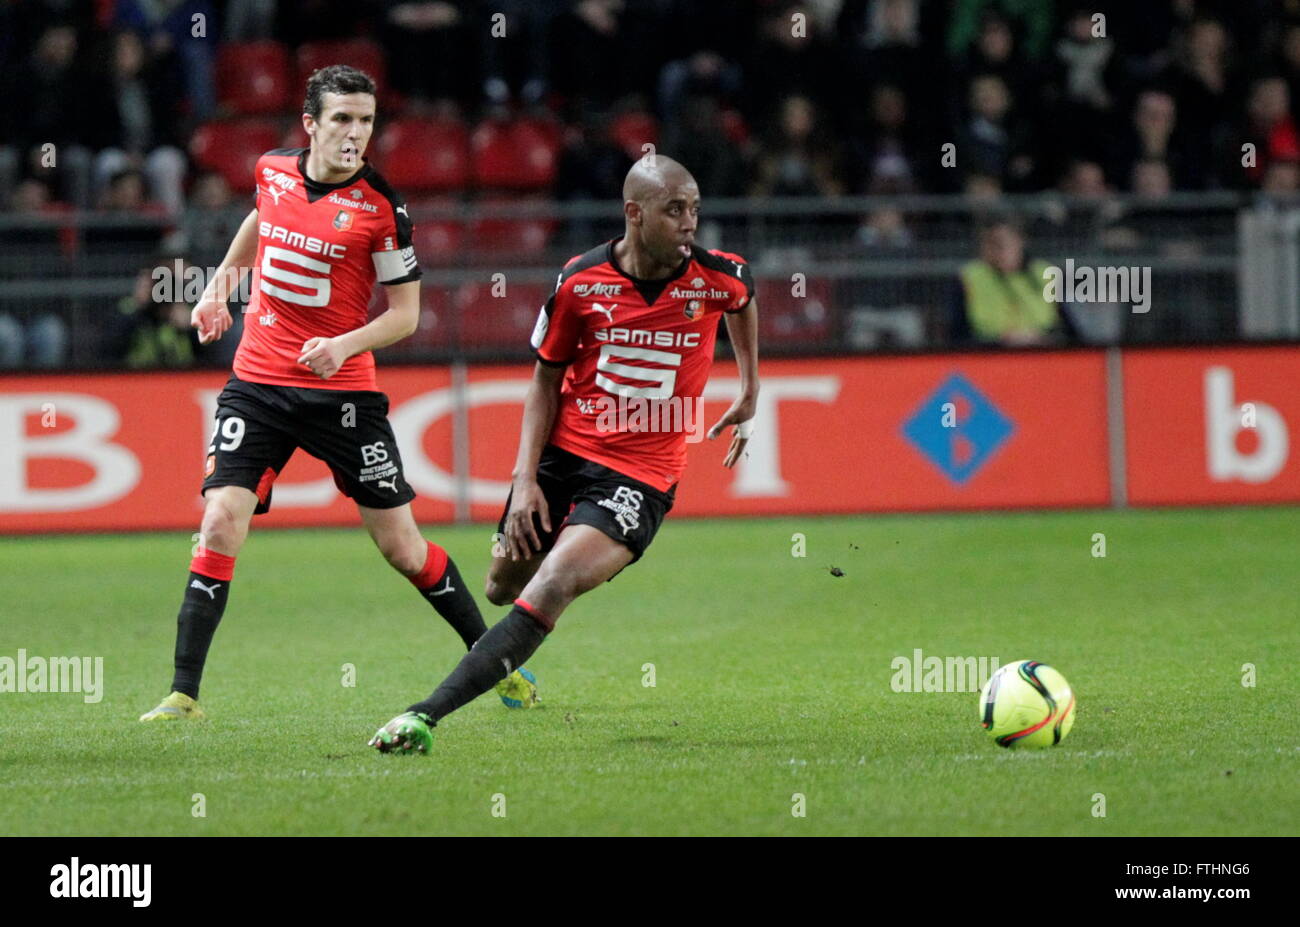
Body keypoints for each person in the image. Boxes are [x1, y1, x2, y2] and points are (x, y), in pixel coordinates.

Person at [139, 65, 538, 723]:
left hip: (342, 396)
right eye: (343, 120)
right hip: (258, 385)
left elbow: (406, 315)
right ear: (311, 125)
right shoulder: (272, 170)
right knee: (218, 520)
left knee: (404, 549)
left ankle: (499, 662)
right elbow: (260, 222)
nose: (356, 134)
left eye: (366, 121)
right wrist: (219, 288)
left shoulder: (382, 207)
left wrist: (344, 345)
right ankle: (184, 694)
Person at [370, 153, 760, 754]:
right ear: (635, 213)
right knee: (502, 586)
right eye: (675, 210)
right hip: (562, 455)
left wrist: (750, 389)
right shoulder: (581, 281)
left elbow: (743, 299)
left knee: (553, 582)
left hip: (642, 474)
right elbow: (544, 381)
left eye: (695, 210)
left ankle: (423, 715)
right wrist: (525, 480)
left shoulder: (714, 275)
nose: (690, 223)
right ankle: (531, 611)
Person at [949, 213, 1078, 347]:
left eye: (1001, 243)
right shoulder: (969, 277)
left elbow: (1069, 331)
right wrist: (999, 339)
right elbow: (957, 335)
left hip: (1043, 354)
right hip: (988, 355)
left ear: (1020, 241)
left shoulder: (1045, 274)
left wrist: (1041, 338)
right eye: (989, 244)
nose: (995, 251)